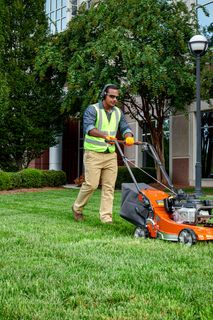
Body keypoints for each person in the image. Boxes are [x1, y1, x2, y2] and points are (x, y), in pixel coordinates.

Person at [72, 84, 134, 223]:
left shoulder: (118, 112)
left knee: (109, 187)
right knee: (91, 185)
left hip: (110, 155)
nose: (114, 100)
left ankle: (106, 217)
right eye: (111, 96)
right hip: (93, 154)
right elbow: (89, 128)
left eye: (116, 97)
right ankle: (77, 208)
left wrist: (128, 135)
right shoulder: (92, 109)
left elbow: (124, 126)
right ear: (104, 95)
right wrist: (104, 136)